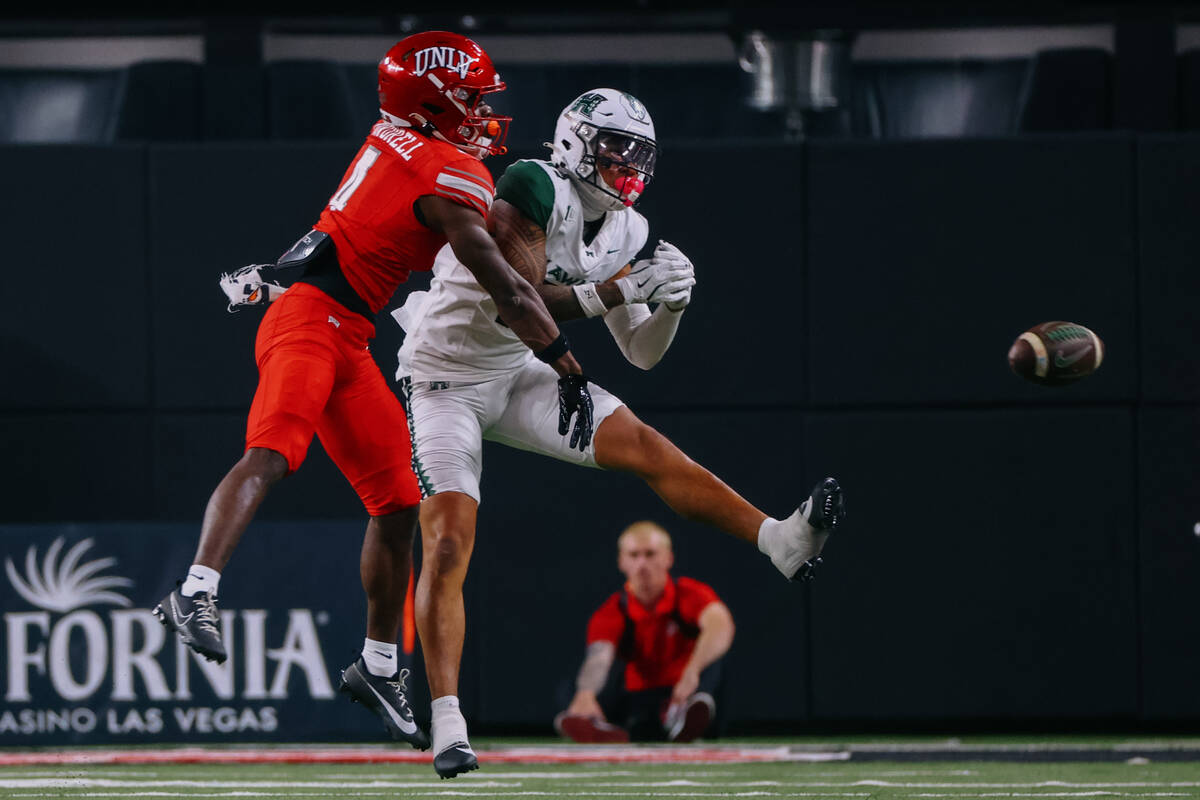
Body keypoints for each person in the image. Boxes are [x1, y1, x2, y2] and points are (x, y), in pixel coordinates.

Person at [152, 31, 594, 757]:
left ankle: (380, 665)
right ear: (437, 102)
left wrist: (275, 269)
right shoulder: (448, 176)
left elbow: (339, 230)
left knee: (397, 504)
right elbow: (510, 289)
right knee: (272, 455)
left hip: (345, 332)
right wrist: (565, 361)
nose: (485, 112)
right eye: (474, 99)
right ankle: (195, 590)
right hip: (308, 325)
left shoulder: (396, 136)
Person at [392, 87, 846, 777]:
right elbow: (517, 298)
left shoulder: (629, 229)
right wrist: (624, 290)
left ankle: (777, 539)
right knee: (449, 537)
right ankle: (448, 721)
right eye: (614, 145)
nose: (627, 162)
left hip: (521, 372)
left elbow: (641, 351)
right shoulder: (533, 183)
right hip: (444, 376)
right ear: (575, 140)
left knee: (646, 447)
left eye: (638, 151)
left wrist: (669, 304)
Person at [555, 521, 735, 743]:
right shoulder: (612, 610)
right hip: (640, 697)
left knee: (713, 656)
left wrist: (693, 670)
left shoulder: (690, 593)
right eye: (634, 555)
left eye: (650, 554)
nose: (642, 563)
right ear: (622, 562)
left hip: (686, 690)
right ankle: (589, 719)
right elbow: (599, 658)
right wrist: (586, 695)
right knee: (575, 683)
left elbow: (722, 625)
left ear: (668, 558)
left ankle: (689, 714)